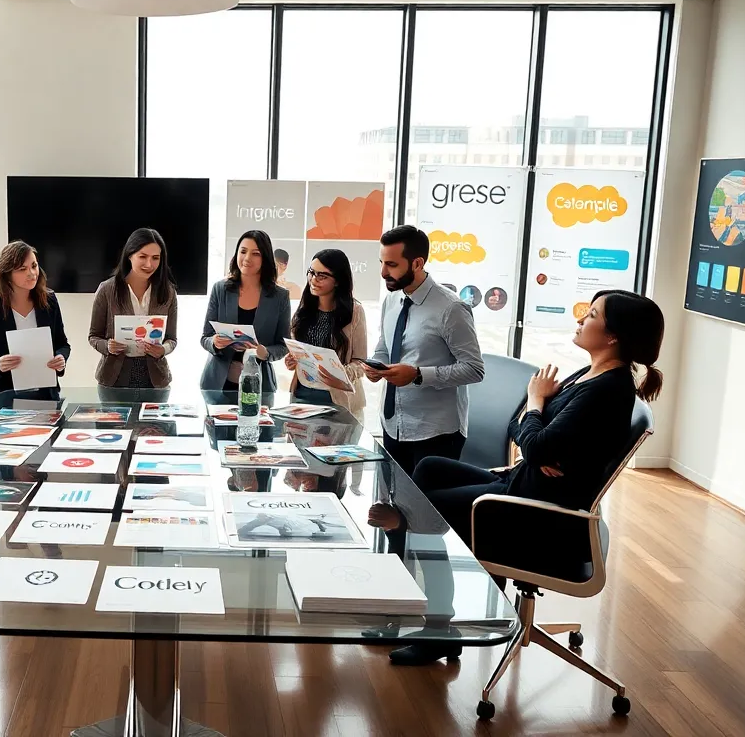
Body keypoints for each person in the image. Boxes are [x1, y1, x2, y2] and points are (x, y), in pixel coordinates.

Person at [386, 289, 665, 666]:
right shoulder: (590, 374)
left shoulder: (606, 391)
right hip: (523, 484)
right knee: (428, 469)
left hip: (537, 513)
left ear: (613, 335)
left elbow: (534, 439)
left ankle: (439, 629)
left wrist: (535, 406)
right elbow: (524, 434)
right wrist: (536, 436)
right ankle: (465, 605)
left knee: (424, 514)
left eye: (592, 314)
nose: (580, 319)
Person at [362, 225, 484, 478]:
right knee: (393, 506)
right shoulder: (392, 300)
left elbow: (474, 369)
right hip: (393, 424)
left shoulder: (452, 308)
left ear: (417, 263)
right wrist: (376, 367)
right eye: (382, 262)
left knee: (426, 514)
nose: (383, 272)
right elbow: (385, 346)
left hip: (436, 433)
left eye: (392, 265)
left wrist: (418, 375)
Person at [0, 240, 70, 400]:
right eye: (22, 269)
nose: (31, 273)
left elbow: (62, 343)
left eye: (34, 266)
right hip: (2, 394)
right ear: (6, 273)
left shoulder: (49, 300)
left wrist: (61, 358)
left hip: (45, 393)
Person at [200, 230, 291, 392]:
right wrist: (214, 342)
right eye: (243, 251)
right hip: (218, 384)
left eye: (255, 253)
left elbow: (283, 346)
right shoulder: (220, 289)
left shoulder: (280, 296)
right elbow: (205, 337)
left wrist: (265, 352)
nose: (247, 258)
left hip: (260, 384)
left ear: (266, 258)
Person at [89, 228, 180, 390]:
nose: (149, 264)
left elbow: (172, 339)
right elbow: (94, 336)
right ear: (130, 255)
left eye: (155, 258)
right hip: (113, 378)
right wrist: (108, 346)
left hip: (156, 378)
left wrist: (162, 350)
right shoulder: (107, 290)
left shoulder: (168, 292)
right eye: (142, 257)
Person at [284, 249, 368, 417]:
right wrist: (291, 360)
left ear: (337, 281)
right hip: (302, 397)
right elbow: (299, 352)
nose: (314, 280)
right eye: (311, 272)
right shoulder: (304, 309)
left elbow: (361, 362)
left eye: (322, 275)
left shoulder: (355, 311)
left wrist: (341, 374)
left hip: (338, 401)